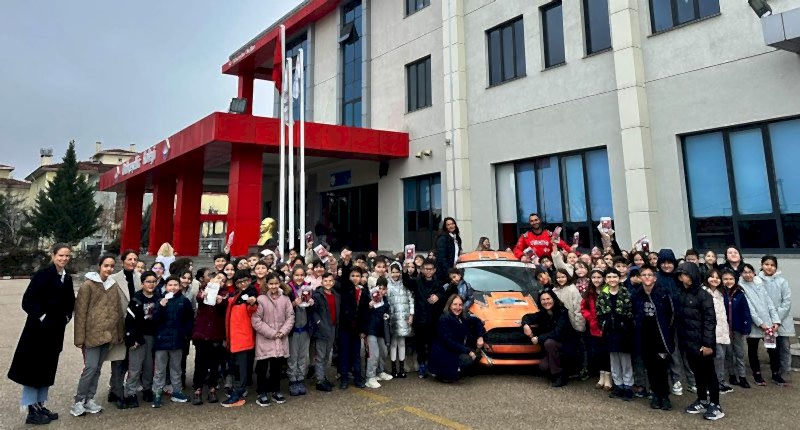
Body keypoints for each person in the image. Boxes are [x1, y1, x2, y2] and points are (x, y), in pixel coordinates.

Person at [8, 243, 75, 425]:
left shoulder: (67, 278)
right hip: (37, 332)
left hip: (55, 332)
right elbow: (27, 301)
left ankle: (40, 404)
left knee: (47, 368)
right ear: (53, 255)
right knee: (33, 369)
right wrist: (43, 317)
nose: (64, 259)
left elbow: (70, 301)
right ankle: (31, 409)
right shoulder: (42, 275)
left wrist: (67, 316)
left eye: (67, 256)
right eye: (61, 255)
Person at [70, 254, 124, 418]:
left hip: (108, 333)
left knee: (98, 369)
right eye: (106, 265)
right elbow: (80, 313)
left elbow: (117, 310)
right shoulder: (88, 285)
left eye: (112, 266)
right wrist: (79, 338)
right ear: (99, 266)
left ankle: (89, 398)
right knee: (90, 368)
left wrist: (119, 332)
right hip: (92, 334)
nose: (109, 269)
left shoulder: (113, 285)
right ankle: (79, 400)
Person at [674, 262, 724, 421]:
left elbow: (710, 321)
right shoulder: (681, 293)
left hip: (703, 342)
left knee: (709, 373)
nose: (682, 278)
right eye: (680, 275)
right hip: (688, 342)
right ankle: (702, 399)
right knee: (697, 373)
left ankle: (715, 404)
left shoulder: (704, 295)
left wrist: (708, 344)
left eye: (685, 274)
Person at [632, 265, 675, 411]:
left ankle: (665, 395)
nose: (647, 277)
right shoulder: (637, 294)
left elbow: (671, 314)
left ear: (655, 278)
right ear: (640, 277)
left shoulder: (663, 293)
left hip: (661, 336)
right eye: (644, 275)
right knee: (650, 367)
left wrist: (667, 332)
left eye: (649, 275)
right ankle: (656, 394)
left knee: (661, 367)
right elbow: (634, 314)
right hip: (645, 336)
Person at [252, 272, 294, 407]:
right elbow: (256, 320)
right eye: (271, 284)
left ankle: (276, 390)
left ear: (280, 283)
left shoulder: (285, 299)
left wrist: (283, 331)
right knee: (262, 367)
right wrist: (271, 333)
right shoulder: (261, 299)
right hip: (265, 338)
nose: (274, 286)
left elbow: (290, 316)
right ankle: (261, 392)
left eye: (276, 283)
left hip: (281, 337)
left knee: (277, 366)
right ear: (267, 284)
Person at [151, 276, 194, 408]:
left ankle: (177, 391)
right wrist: (161, 306)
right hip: (161, 340)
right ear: (166, 287)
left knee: (176, 368)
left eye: (175, 285)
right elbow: (154, 319)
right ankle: (157, 393)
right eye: (170, 285)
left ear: (179, 286)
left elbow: (190, 319)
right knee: (159, 370)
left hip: (177, 340)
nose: (173, 287)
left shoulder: (184, 301)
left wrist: (185, 334)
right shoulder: (160, 300)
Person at [107, 250, 141, 408]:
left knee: (130, 360)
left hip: (135, 324)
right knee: (118, 360)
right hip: (119, 323)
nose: (132, 262)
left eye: (135, 259)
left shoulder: (140, 278)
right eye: (129, 259)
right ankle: (117, 391)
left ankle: (119, 389)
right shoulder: (114, 279)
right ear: (123, 261)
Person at [522, 290, 577, 387]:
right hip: (552, 349)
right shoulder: (543, 313)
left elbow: (557, 333)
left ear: (554, 299)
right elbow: (527, 317)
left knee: (549, 343)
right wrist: (525, 325)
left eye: (548, 299)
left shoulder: (562, 312)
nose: (546, 301)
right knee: (543, 367)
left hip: (566, 347)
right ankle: (561, 370)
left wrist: (538, 338)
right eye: (543, 299)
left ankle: (559, 375)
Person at [122, 270, 160, 408]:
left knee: (149, 365)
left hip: (152, 336)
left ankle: (147, 388)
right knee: (135, 367)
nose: (151, 284)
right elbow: (129, 321)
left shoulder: (158, 298)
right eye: (148, 282)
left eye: (154, 282)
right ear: (142, 283)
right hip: (138, 337)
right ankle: (130, 392)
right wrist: (131, 338)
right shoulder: (136, 299)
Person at [739, 263, 780, 386]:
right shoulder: (740, 287)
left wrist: (775, 321)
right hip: (754, 325)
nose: (748, 275)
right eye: (745, 272)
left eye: (750, 272)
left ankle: (776, 374)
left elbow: (769, 303)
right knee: (753, 350)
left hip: (768, 324)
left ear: (754, 272)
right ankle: (757, 374)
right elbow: (749, 308)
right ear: (741, 274)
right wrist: (760, 323)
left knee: (773, 349)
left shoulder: (759, 283)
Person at [597, 268, 634, 401]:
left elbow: (630, 312)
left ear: (619, 278)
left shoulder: (625, 293)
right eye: (609, 277)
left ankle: (628, 386)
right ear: (605, 280)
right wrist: (603, 324)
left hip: (624, 332)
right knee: (614, 359)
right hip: (609, 331)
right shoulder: (603, 295)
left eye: (614, 277)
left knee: (625, 360)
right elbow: (599, 312)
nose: (612, 279)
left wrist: (626, 325)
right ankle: (618, 385)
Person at [222, 270, 258, 407]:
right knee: (236, 367)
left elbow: (252, 309)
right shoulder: (236, 294)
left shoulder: (251, 294)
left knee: (241, 368)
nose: (243, 284)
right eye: (239, 282)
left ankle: (238, 394)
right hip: (233, 338)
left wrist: (253, 303)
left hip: (243, 338)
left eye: (245, 281)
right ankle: (237, 391)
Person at [191, 272, 227, 405]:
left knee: (214, 363)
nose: (219, 281)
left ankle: (212, 388)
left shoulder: (224, 294)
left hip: (216, 334)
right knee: (200, 363)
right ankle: (198, 388)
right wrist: (203, 295)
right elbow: (199, 299)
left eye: (222, 280)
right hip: (202, 333)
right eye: (217, 278)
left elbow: (224, 308)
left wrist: (221, 302)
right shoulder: (203, 290)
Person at [759, 255, 794, 385]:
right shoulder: (757, 281)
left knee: (784, 346)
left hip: (782, 320)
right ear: (762, 265)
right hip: (766, 321)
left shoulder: (782, 281)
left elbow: (787, 301)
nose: (769, 267)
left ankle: (785, 371)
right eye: (766, 264)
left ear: (776, 267)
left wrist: (777, 320)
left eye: (772, 265)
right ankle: (775, 372)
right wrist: (768, 320)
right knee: (772, 347)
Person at [429, 294, 481, 383]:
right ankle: (444, 373)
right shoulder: (444, 319)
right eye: (455, 304)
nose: (458, 307)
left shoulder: (461, 317)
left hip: (454, 350)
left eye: (460, 305)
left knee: (476, 355)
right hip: (444, 353)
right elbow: (449, 342)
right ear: (449, 305)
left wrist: (480, 337)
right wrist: (468, 351)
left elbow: (477, 321)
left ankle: (454, 370)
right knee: (467, 359)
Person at [408, 258, 446, 378]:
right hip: (420, 319)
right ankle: (422, 366)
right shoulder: (417, 281)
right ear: (422, 269)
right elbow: (406, 282)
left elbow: (444, 295)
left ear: (434, 270)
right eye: (426, 269)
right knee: (420, 344)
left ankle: (431, 365)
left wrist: (438, 296)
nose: (428, 271)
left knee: (431, 344)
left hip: (433, 319)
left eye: (431, 269)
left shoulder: (438, 282)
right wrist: (405, 270)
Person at [336, 250, 367, 389]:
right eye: (352, 275)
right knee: (344, 354)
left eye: (357, 276)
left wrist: (363, 330)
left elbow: (365, 313)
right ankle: (344, 379)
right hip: (345, 327)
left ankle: (358, 378)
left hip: (357, 328)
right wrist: (346, 261)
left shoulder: (364, 291)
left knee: (356, 354)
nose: (355, 278)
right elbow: (344, 276)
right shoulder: (346, 288)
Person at [701, 269, 734, 394]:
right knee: (715, 357)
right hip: (710, 331)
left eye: (717, 277)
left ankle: (719, 381)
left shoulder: (721, 293)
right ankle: (711, 383)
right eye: (712, 277)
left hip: (722, 329)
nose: (715, 279)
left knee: (721, 357)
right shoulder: (703, 292)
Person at [720, 269, 751, 389]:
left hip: (737, 328)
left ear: (735, 280)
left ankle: (742, 376)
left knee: (739, 352)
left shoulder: (739, 293)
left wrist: (746, 326)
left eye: (731, 279)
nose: (728, 281)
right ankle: (732, 375)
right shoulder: (720, 293)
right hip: (724, 328)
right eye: (725, 279)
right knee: (728, 353)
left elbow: (745, 311)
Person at [581, 269, 610, 390]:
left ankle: (608, 377)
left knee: (607, 352)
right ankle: (601, 376)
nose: (596, 280)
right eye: (594, 278)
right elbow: (583, 308)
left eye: (599, 277)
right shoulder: (589, 292)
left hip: (607, 326)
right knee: (598, 352)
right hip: (594, 327)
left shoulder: (607, 290)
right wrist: (590, 318)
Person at [287, 266, 314, 396]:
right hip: (293, 330)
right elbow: (283, 309)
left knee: (303, 356)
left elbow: (313, 310)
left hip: (305, 329)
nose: (299, 277)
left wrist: (312, 303)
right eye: (297, 275)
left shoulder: (308, 288)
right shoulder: (287, 290)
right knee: (293, 356)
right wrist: (293, 304)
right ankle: (292, 379)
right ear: (292, 276)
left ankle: (300, 378)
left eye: (302, 275)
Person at [311, 271, 340, 392]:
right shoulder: (317, 295)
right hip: (322, 329)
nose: (328, 283)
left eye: (330, 280)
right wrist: (319, 323)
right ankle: (320, 380)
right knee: (321, 355)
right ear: (322, 282)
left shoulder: (336, 295)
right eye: (325, 281)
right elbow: (314, 311)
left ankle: (323, 377)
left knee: (327, 355)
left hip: (333, 327)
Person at [361, 280, 393, 388]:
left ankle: (380, 371)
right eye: (379, 288)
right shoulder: (370, 298)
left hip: (382, 330)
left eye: (384, 289)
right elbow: (363, 312)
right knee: (373, 354)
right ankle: (370, 377)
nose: (381, 291)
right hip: (371, 330)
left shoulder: (385, 300)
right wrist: (369, 306)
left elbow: (387, 314)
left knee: (383, 351)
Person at [386, 262, 414, 378]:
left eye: (397, 272)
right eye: (393, 272)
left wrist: (411, 314)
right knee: (393, 343)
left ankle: (402, 368)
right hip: (392, 317)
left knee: (402, 342)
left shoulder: (405, 284)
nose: (395, 274)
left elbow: (411, 299)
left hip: (404, 317)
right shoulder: (387, 284)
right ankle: (393, 368)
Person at [435, 217, 463, 283]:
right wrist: (449, 271)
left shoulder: (456, 237)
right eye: (448, 224)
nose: (451, 226)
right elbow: (441, 258)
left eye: (452, 223)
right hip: (446, 272)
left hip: (455, 269)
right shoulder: (443, 238)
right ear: (445, 227)